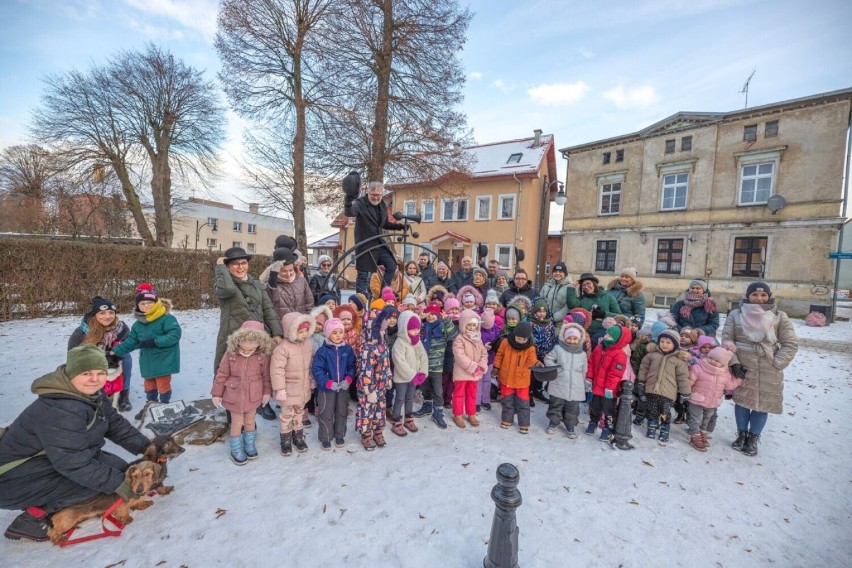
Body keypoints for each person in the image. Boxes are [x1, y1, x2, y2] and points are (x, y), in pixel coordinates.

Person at [0, 345, 152, 542]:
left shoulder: (91, 395)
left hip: (41, 464)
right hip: (11, 480)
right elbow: (74, 463)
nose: (94, 379)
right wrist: (119, 484)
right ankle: (34, 519)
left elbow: (114, 423)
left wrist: (147, 447)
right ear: (71, 374)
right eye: (86, 373)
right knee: (98, 484)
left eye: (100, 373)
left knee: (118, 470)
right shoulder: (63, 409)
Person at [722, 281, 798, 457]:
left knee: (762, 404)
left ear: (769, 296)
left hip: (768, 367)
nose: (759, 298)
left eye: (763, 295)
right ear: (748, 296)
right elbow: (727, 339)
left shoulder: (780, 316)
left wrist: (777, 362)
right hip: (743, 365)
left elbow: (790, 343)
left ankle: (753, 438)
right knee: (742, 401)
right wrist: (733, 363)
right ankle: (741, 435)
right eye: (754, 295)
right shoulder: (736, 314)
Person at [214, 247, 283, 420]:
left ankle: (258, 403)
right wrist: (220, 267)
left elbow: (267, 308)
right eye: (235, 264)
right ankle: (232, 409)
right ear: (227, 266)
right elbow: (229, 290)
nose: (240, 267)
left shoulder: (256, 284)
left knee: (256, 372)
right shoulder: (223, 284)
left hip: (256, 337)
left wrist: (276, 332)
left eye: (243, 263)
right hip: (233, 336)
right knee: (233, 373)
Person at [211, 321, 273, 465]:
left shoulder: (262, 356)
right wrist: (216, 393)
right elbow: (222, 374)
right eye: (243, 349)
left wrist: (266, 393)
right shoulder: (230, 353)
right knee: (237, 422)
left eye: (250, 350)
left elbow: (266, 376)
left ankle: (249, 444)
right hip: (234, 395)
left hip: (253, 394)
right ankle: (236, 448)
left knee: (250, 421)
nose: (245, 352)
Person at [111, 283, 181, 404]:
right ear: (138, 305)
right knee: (149, 385)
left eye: (149, 303)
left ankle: (164, 404)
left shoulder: (166, 318)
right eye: (142, 303)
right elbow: (131, 342)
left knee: (162, 384)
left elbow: (174, 335)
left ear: (156, 303)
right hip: (147, 359)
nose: (146, 305)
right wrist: (114, 352)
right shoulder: (138, 325)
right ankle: (151, 404)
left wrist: (155, 341)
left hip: (164, 358)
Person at [342, 173, 407, 297]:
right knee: (363, 275)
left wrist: (400, 226)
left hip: (379, 244)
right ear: (368, 192)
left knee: (391, 266)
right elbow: (350, 212)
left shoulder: (382, 205)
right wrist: (348, 201)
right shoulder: (361, 203)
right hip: (365, 246)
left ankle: (384, 294)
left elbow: (385, 224)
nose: (376, 198)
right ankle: (361, 302)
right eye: (373, 195)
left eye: (379, 195)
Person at [68, 296, 133, 412]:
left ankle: (124, 394)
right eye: (102, 313)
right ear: (95, 315)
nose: (107, 316)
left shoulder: (121, 328)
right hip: (90, 359)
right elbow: (72, 353)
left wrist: (116, 349)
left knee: (127, 357)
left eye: (111, 312)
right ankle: (92, 393)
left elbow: (129, 343)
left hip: (113, 357)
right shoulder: (83, 331)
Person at [270, 312, 316, 456]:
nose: (304, 334)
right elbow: (277, 370)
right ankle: (285, 438)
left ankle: (298, 436)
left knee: (299, 413)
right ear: (290, 331)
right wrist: (279, 388)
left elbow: (313, 364)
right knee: (286, 415)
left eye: (306, 331)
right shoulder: (283, 348)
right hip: (288, 390)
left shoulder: (308, 344)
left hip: (302, 388)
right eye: (300, 331)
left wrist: (312, 378)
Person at [637, 329, 691, 444]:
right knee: (651, 409)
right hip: (651, 389)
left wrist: (685, 392)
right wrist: (641, 381)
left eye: (668, 342)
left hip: (668, 392)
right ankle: (652, 425)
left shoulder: (678, 360)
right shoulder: (652, 355)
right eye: (662, 341)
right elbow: (643, 368)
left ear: (675, 344)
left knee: (664, 411)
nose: (664, 345)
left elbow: (683, 377)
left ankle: (664, 428)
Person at [312, 318, 356, 450]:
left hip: (342, 388)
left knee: (341, 411)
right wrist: (327, 382)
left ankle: (339, 434)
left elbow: (352, 366)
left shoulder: (347, 349)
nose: (338, 335)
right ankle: (326, 437)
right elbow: (317, 369)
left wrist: (348, 379)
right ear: (328, 334)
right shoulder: (323, 351)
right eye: (334, 332)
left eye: (340, 332)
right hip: (326, 389)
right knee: (326, 412)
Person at [686, 346, 741, 452]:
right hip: (696, 399)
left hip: (712, 402)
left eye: (717, 361)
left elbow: (730, 385)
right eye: (711, 358)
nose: (713, 361)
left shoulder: (725, 374)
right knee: (696, 418)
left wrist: (739, 379)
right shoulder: (698, 367)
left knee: (706, 419)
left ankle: (702, 432)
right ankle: (695, 435)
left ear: (724, 363)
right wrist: (685, 391)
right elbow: (690, 381)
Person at [413, 302, 457, 429]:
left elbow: (453, 335)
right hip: (424, 365)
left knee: (438, 390)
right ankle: (427, 406)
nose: (431, 317)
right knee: (425, 388)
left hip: (437, 367)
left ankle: (438, 411)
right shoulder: (424, 327)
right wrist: (419, 319)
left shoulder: (442, 327)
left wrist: (447, 320)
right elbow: (415, 334)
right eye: (429, 314)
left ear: (439, 315)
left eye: (434, 314)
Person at [584, 325, 631, 442]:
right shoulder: (599, 349)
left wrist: (610, 387)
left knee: (608, 410)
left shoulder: (619, 354)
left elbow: (615, 373)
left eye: (609, 335)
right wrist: (589, 377)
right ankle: (593, 422)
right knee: (595, 407)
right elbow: (591, 363)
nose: (606, 336)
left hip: (608, 390)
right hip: (596, 386)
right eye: (606, 333)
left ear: (617, 339)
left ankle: (608, 428)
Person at [355, 308, 393, 450]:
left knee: (380, 409)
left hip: (381, 385)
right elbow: (365, 371)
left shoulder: (382, 343)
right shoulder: (368, 347)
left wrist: (388, 376)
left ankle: (378, 430)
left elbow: (386, 362)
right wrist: (368, 390)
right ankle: (366, 434)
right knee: (367, 410)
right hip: (369, 388)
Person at [543, 323, 588, 438]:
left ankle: (570, 425)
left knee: (572, 407)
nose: (572, 341)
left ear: (579, 339)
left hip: (575, 386)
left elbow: (584, 370)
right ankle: (553, 422)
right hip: (559, 382)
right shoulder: (558, 349)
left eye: (575, 339)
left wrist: (584, 383)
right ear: (564, 337)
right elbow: (548, 359)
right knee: (556, 404)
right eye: (569, 338)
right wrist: (556, 369)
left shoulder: (582, 354)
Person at [493, 321, 539, 433]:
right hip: (506, 378)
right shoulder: (505, 343)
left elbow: (532, 360)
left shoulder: (530, 348)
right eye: (519, 338)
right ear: (514, 335)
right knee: (507, 401)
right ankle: (507, 419)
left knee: (523, 403)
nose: (521, 341)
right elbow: (499, 355)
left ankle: (523, 423)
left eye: (524, 339)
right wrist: (496, 367)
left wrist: (537, 363)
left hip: (522, 380)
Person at [390, 311, 429, 436]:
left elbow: (423, 356)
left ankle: (408, 417)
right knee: (400, 398)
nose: (416, 332)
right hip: (402, 378)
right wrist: (413, 374)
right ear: (404, 328)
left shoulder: (417, 341)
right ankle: (396, 420)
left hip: (414, 378)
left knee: (410, 397)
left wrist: (422, 372)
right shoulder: (399, 344)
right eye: (413, 329)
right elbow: (399, 362)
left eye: (418, 329)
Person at [452, 309, 488, 429]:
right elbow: (460, 356)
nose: (472, 327)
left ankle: (471, 413)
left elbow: (484, 353)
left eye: (474, 325)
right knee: (459, 394)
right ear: (463, 324)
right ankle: (457, 414)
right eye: (470, 324)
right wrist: (473, 366)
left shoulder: (478, 338)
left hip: (474, 374)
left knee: (472, 394)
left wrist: (481, 365)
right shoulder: (459, 339)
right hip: (462, 373)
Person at [268, 253, 314, 320]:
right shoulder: (271, 285)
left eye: (291, 270)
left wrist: (306, 319)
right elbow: (270, 307)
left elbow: (309, 302)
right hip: (282, 326)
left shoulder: (302, 281)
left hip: (301, 325)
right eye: (284, 271)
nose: (288, 274)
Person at [538, 262, 572, 327]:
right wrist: (543, 315)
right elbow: (540, 301)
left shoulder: (570, 287)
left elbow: (568, 306)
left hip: (560, 324)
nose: (557, 273)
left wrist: (555, 317)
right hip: (544, 322)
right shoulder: (546, 286)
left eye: (560, 271)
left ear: (565, 274)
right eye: (555, 271)